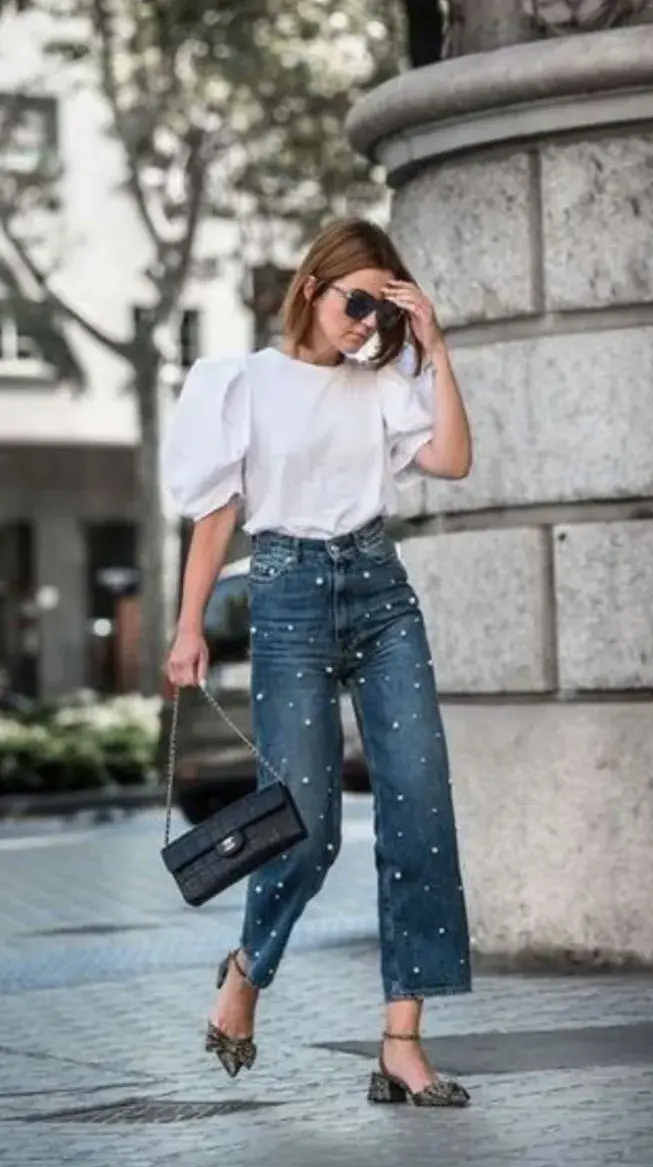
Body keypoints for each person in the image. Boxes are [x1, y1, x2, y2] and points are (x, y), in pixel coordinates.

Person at [162, 218, 474, 1109]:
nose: (366, 321)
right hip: (289, 598)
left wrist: (433, 344)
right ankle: (247, 973)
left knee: (420, 809)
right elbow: (215, 517)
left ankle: (403, 1042)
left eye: (383, 306)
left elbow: (452, 459)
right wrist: (189, 628)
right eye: (357, 300)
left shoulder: (384, 384)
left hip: (381, 595)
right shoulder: (241, 383)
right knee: (305, 822)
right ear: (313, 287)